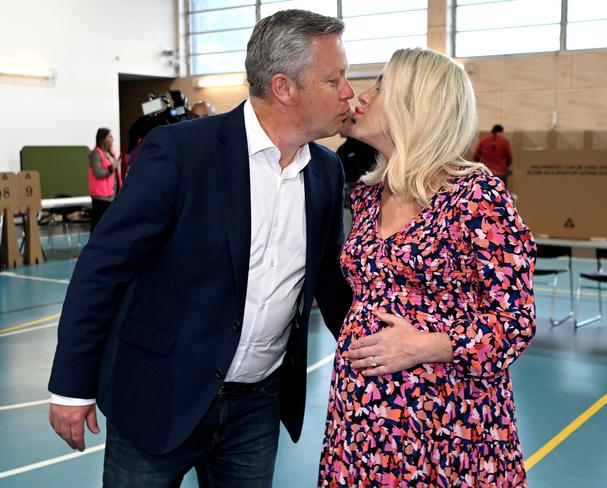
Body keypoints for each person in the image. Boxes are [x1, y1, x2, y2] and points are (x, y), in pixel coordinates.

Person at [48, 9, 353, 487]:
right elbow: (104, 267)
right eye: (335, 79)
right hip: (159, 394)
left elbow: (331, 282)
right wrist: (71, 384)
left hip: (258, 404)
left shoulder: (326, 172)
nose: (349, 92)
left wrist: (383, 348)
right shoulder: (180, 151)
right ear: (283, 87)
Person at [319, 48, 536, 486]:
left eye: (379, 88)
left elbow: (515, 322)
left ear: (413, 105)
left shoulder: (476, 197)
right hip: (363, 420)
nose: (361, 96)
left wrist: (424, 345)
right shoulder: (368, 196)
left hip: (445, 422)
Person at [89, 128, 121, 231]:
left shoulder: (111, 153)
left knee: (110, 225)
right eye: (109, 136)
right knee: (98, 224)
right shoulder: (96, 154)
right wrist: (112, 168)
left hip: (112, 195)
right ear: (103, 139)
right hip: (101, 196)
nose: (112, 139)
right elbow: (98, 173)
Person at [473, 123, 513, 188]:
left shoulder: (483, 141)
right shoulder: (504, 141)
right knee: (501, 194)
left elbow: (475, 157)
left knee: (485, 194)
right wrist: (504, 167)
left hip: (485, 173)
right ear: (501, 132)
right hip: (500, 174)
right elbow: (509, 159)